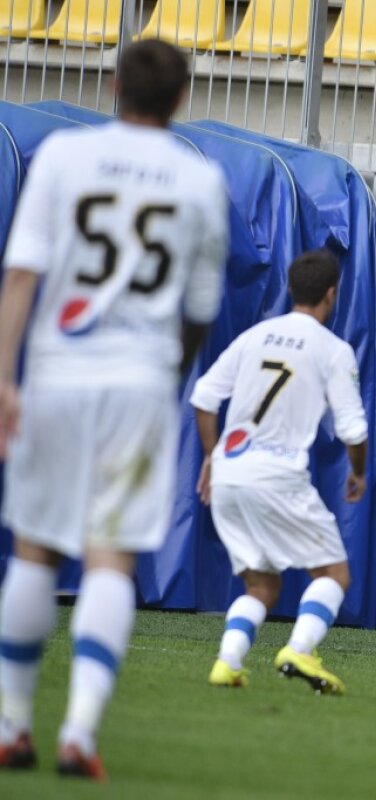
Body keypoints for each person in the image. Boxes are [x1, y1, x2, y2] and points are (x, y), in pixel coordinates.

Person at [0, 40, 228, 780]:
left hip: (60, 374)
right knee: (110, 556)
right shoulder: (200, 179)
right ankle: (80, 733)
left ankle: (10, 723)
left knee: (35, 547)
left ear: (112, 84)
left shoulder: (64, 157)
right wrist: (167, 364)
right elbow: (199, 308)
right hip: (137, 383)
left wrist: (5, 379)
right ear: (183, 98)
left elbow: (22, 278)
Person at [190, 250, 367, 696]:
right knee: (333, 575)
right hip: (277, 475)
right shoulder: (332, 349)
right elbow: (354, 429)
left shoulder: (255, 336)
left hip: (231, 473)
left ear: (291, 288)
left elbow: (203, 397)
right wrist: (358, 472)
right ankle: (300, 649)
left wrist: (212, 456)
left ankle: (227, 662)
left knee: (262, 583)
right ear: (332, 294)